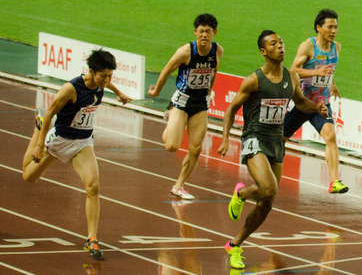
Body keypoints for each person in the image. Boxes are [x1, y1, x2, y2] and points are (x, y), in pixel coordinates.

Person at [218, 30, 328, 269]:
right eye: (273, 44)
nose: (280, 46)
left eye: (281, 42)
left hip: (276, 141)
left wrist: (316, 108)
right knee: (268, 189)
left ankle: (235, 243)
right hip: (255, 139)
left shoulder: (292, 78)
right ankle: (244, 194)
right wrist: (225, 138)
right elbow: (231, 108)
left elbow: (299, 102)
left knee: (268, 201)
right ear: (263, 51)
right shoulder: (254, 80)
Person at [22, 49, 131, 259]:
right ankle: (37, 130)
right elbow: (50, 112)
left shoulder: (102, 83)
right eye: (103, 76)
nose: (107, 81)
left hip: (82, 143)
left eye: (110, 76)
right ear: (90, 72)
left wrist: (118, 93)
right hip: (59, 141)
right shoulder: (70, 89)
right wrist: (39, 145)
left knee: (93, 186)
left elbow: (107, 82)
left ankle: (92, 239)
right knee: (28, 176)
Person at [148, 13, 224, 200]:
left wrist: (209, 92)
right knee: (172, 146)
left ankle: (179, 186)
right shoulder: (186, 51)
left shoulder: (217, 51)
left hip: (200, 104)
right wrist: (156, 91)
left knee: (196, 149)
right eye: (201, 32)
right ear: (195, 32)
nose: (204, 35)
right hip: (182, 101)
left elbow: (213, 72)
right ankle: (170, 117)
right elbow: (167, 69)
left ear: (214, 32)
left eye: (208, 32)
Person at [283, 9, 349, 194]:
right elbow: (293, 69)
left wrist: (332, 83)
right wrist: (315, 73)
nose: (334, 30)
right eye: (330, 27)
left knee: (330, 136)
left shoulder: (336, 47)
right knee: (280, 140)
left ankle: (334, 181)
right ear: (319, 28)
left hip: (321, 105)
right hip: (302, 103)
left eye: (336, 27)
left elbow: (329, 68)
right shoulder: (308, 46)